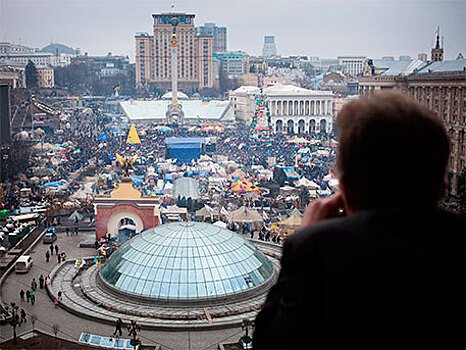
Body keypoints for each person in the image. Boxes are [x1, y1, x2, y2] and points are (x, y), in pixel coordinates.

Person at [253, 92, 465, 349]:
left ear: (344, 186)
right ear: (443, 186)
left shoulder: (320, 248)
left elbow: (271, 342)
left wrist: (305, 238)